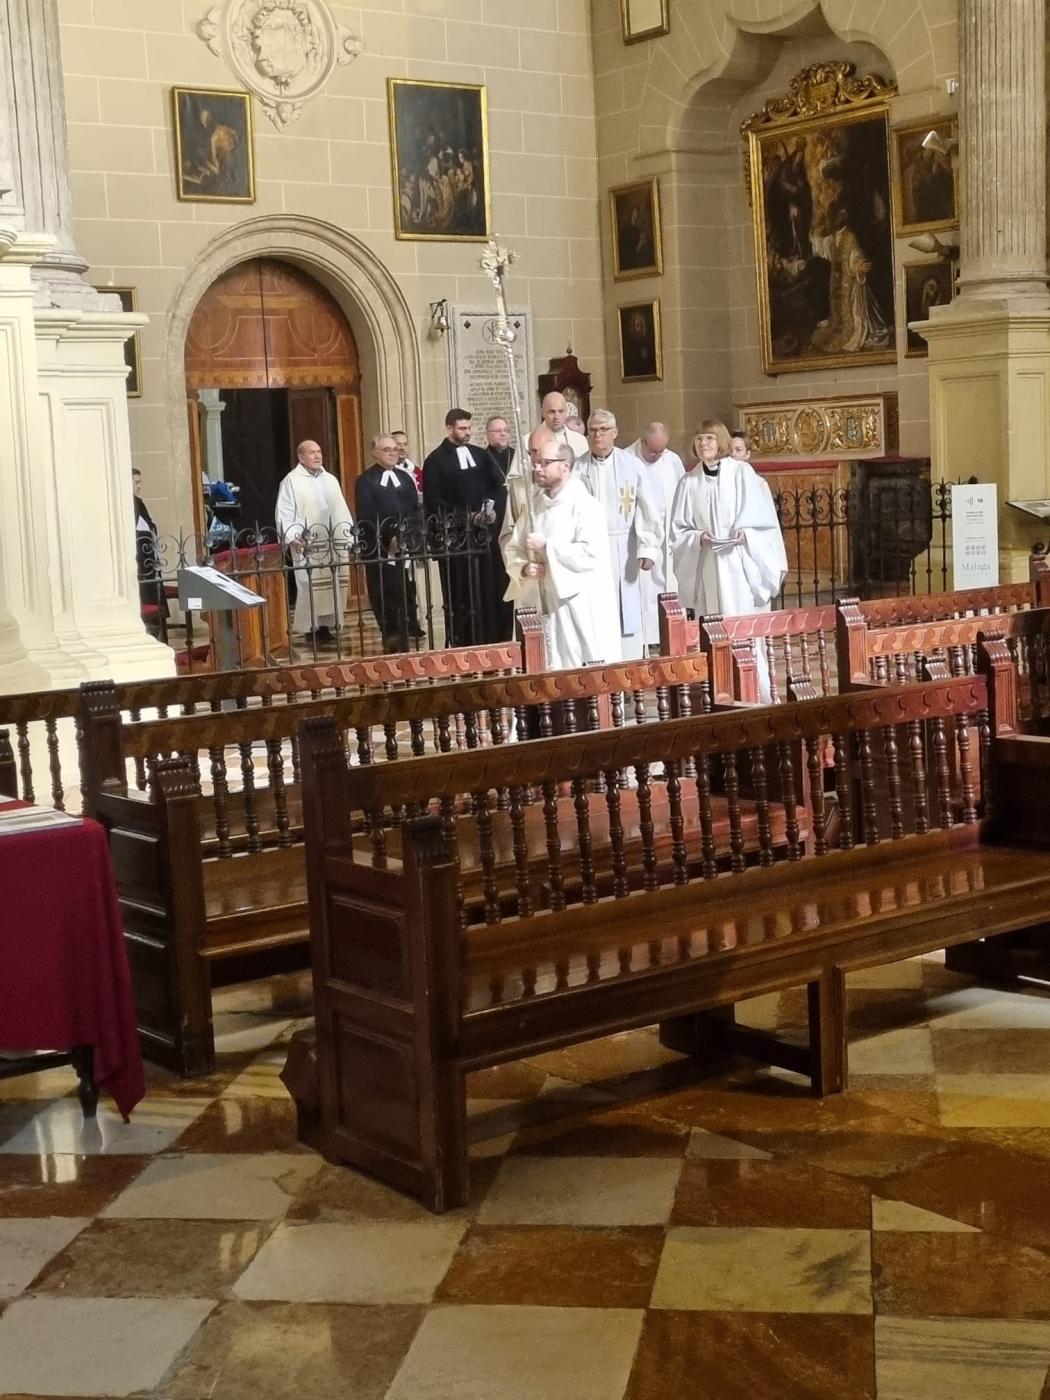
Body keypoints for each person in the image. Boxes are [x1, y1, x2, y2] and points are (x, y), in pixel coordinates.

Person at [669, 419, 787, 702]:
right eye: (699, 438)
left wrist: (745, 534)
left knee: (742, 629)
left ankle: (754, 692)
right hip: (708, 564)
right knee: (712, 631)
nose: (704, 444)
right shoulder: (689, 481)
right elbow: (678, 530)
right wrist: (699, 538)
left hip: (738, 565)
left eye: (710, 438)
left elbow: (764, 524)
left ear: (720, 441)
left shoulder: (742, 474)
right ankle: (717, 692)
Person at [504, 442, 621, 669]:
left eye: (545, 463)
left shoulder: (585, 505)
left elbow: (591, 555)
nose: (538, 468)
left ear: (565, 466)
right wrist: (525, 568)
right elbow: (514, 548)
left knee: (578, 666)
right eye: (536, 462)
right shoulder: (535, 506)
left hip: (576, 605)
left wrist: (548, 546)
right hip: (543, 604)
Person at [422, 408, 508, 645]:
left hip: (484, 537)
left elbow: (496, 486)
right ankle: (462, 641)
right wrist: (466, 517)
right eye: (462, 428)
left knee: (487, 590)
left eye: (469, 428)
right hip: (456, 540)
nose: (467, 433)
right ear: (449, 428)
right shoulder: (435, 461)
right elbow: (435, 501)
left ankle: (491, 638)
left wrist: (487, 511)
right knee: (461, 594)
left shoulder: (480, 455)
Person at [576, 408, 649, 659]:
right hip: (590, 551)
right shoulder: (577, 468)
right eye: (593, 430)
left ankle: (627, 674)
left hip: (624, 549)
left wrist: (647, 547)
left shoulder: (632, 466)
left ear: (615, 433)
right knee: (595, 610)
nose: (598, 435)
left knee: (625, 610)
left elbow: (649, 510)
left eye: (603, 430)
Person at [275, 439, 354, 644]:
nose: (317, 456)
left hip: (332, 542)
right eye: (312, 452)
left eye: (319, 451)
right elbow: (284, 512)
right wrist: (293, 535)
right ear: (301, 457)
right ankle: (311, 628)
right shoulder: (291, 481)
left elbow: (341, 508)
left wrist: (349, 535)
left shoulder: (330, 479)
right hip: (309, 544)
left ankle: (328, 626)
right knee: (310, 585)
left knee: (333, 584)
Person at [355, 434, 423, 653]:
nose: (393, 453)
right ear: (375, 453)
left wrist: (407, 537)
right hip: (379, 548)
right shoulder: (366, 480)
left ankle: (405, 631)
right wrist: (388, 538)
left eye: (395, 449)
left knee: (403, 591)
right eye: (387, 449)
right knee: (383, 593)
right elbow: (367, 514)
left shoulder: (404, 478)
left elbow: (414, 510)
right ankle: (390, 636)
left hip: (404, 546)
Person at [627, 423, 686, 646]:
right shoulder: (626, 460)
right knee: (644, 594)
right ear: (642, 442)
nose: (658, 456)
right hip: (640, 542)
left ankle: (670, 640)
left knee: (669, 591)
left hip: (668, 540)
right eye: (653, 451)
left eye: (662, 451)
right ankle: (644, 642)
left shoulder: (672, 461)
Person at [500, 424, 550, 617]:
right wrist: (522, 567)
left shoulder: (576, 487)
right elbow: (507, 535)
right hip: (530, 583)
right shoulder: (518, 487)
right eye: (532, 452)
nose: (537, 458)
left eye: (542, 451)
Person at [539, 391, 588, 459]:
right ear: (543, 413)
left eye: (560, 411)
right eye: (552, 412)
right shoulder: (527, 441)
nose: (556, 417)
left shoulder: (580, 440)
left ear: (566, 412)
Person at [392, 429, 422, 495]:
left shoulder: (417, 472)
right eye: (398, 444)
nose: (402, 448)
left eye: (405, 444)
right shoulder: (386, 472)